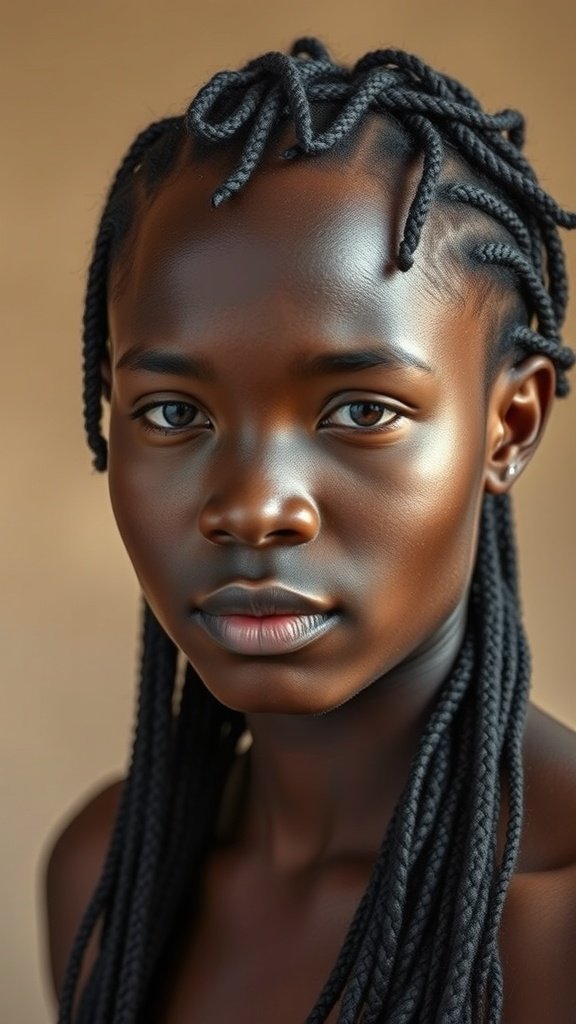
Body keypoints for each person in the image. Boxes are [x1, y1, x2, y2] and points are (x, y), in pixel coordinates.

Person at [44, 38, 576, 1023]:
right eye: (173, 413)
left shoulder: (557, 923)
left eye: (362, 411)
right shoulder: (106, 883)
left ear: (509, 425)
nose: (253, 506)